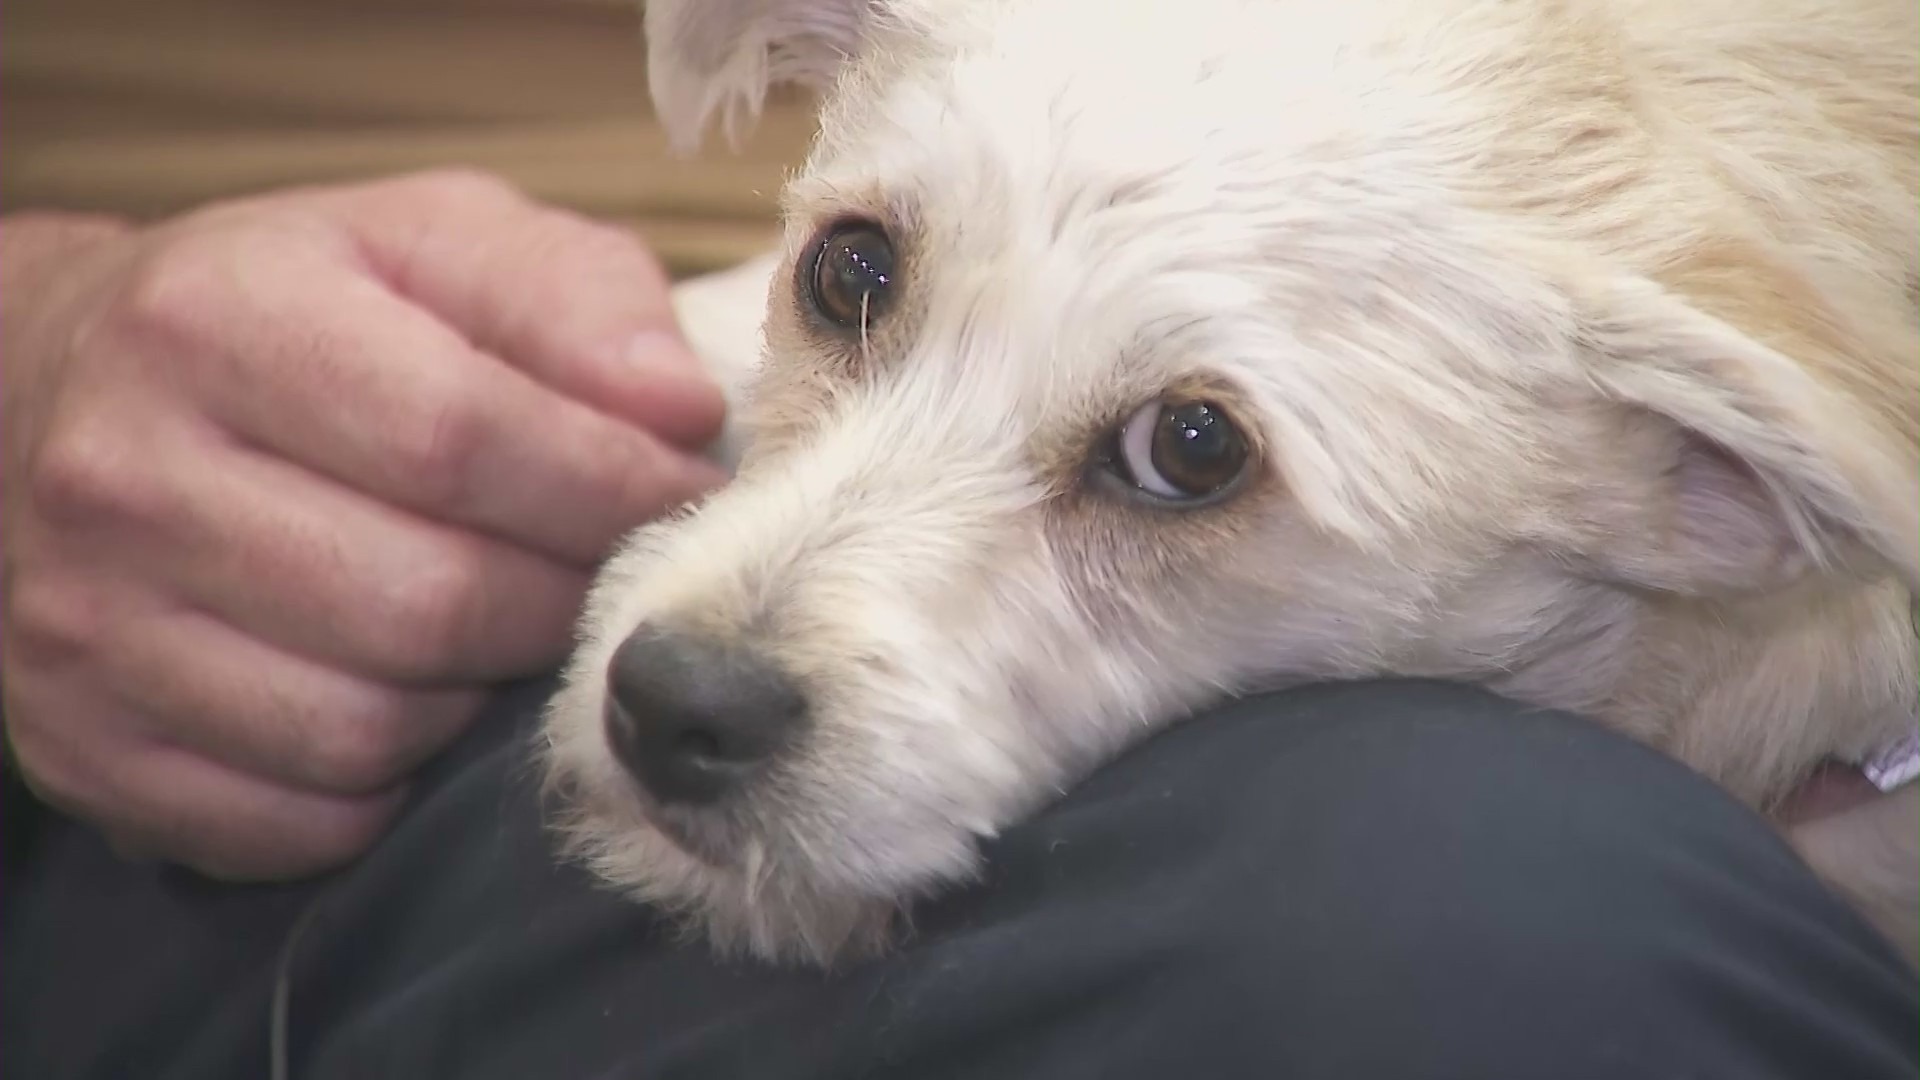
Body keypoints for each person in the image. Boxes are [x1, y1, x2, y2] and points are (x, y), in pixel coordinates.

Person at [2, 14, 1915, 1080]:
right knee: (1495, 956)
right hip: (271, 544)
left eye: (1184, 457)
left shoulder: (1696, 400)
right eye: (856, 281)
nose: (723, 649)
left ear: (1717, 498)